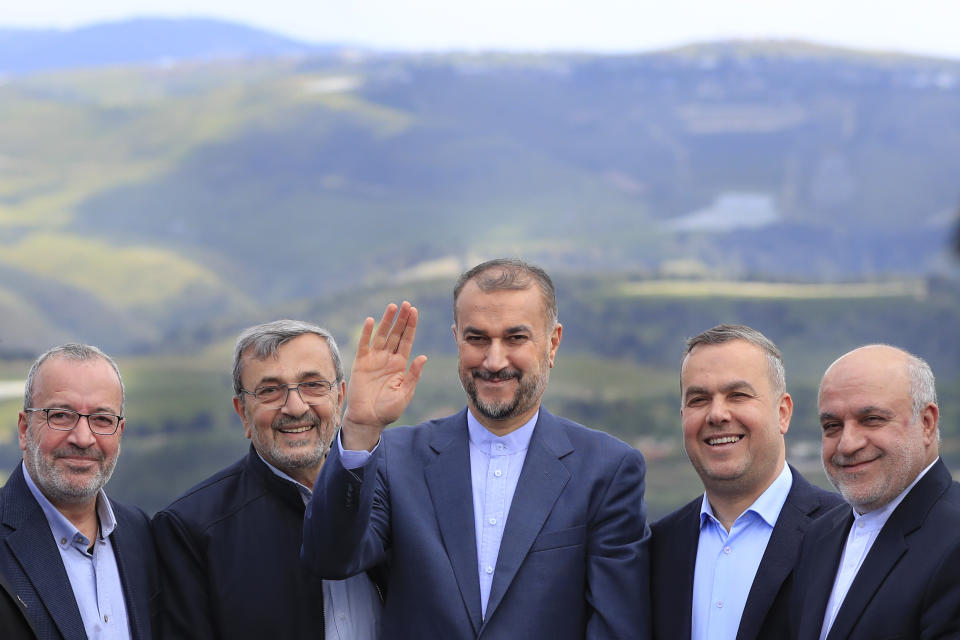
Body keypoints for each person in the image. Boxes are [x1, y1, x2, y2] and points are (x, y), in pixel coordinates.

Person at [303, 258, 651, 639]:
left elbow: (617, 627)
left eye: (515, 338)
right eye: (477, 338)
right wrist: (359, 429)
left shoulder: (607, 469)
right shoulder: (393, 457)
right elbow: (331, 558)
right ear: (457, 339)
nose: (494, 360)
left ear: (552, 343)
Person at [152, 320, 382, 640]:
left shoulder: (393, 493)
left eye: (313, 384)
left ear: (340, 397)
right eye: (270, 390)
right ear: (243, 412)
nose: (295, 407)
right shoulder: (191, 529)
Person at [651, 325, 842, 640]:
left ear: (783, 413)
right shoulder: (657, 546)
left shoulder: (842, 536)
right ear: (683, 415)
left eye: (737, 395)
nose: (717, 414)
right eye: (699, 399)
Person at [791, 344, 960, 639]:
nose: (847, 444)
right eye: (832, 426)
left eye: (872, 419)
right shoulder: (819, 536)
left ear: (927, 423)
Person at [0, 343, 159, 639]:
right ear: (24, 429)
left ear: (119, 432)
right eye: (60, 415)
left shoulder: (141, 534)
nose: (83, 438)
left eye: (102, 419)